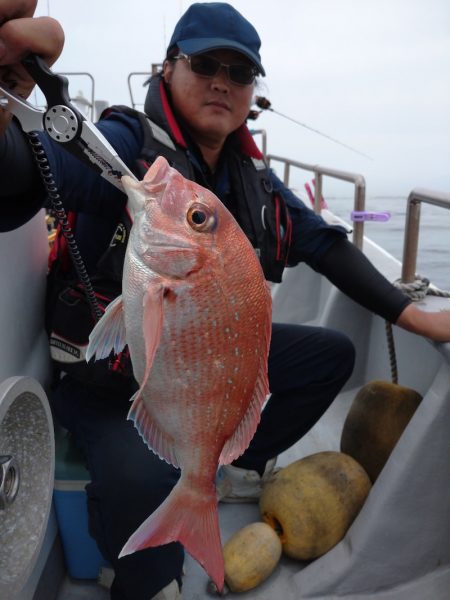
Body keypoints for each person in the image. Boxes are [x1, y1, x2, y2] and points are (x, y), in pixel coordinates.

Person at [1, 2, 450, 599]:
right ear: (167, 69)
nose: (222, 81)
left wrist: (413, 314)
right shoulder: (129, 144)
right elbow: (32, 171)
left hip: (197, 367)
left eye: (240, 73)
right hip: (107, 384)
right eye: (205, 63)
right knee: (143, 488)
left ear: (252, 90)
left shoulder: (252, 178)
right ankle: (145, 558)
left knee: (330, 356)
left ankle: (211, 466)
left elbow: (323, 243)